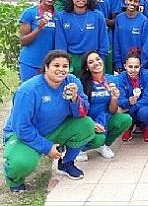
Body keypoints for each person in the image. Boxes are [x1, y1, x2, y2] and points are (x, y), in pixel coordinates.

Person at [3, 50, 95, 192]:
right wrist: (47, 147)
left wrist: (75, 99)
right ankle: (14, 180)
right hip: (22, 134)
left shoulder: (72, 82)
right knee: (21, 163)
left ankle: (66, 163)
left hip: (53, 128)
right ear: (46, 67)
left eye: (65, 66)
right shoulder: (28, 90)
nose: (61, 70)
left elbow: (82, 113)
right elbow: (21, 127)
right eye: (56, 65)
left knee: (86, 125)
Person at [76, 51, 132, 161]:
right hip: (85, 121)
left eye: (98, 59)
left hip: (104, 119)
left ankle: (103, 145)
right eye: (91, 62)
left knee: (125, 119)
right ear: (87, 67)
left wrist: (114, 98)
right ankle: (79, 148)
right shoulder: (81, 83)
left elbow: (112, 110)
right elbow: (77, 109)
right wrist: (91, 123)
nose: (96, 63)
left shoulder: (111, 80)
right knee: (97, 139)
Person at [55, 0, 108, 75]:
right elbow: (60, 44)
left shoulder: (97, 15)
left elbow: (103, 41)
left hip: (92, 59)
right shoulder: (62, 16)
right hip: (72, 60)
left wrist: (100, 60)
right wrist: (65, 62)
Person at [19, 0, 59, 81]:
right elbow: (23, 41)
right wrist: (39, 28)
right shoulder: (29, 13)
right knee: (30, 93)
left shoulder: (58, 16)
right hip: (30, 63)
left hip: (49, 65)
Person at [117, 49, 148, 142]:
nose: (133, 70)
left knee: (146, 112)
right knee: (119, 111)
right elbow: (120, 99)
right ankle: (128, 126)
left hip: (142, 107)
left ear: (140, 66)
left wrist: (132, 106)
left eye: (136, 67)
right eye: (130, 66)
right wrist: (128, 101)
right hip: (128, 106)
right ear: (125, 66)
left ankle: (147, 127)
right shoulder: (120, 78)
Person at [113, 0, 148, 72]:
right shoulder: (119, 18)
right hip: (123, 65)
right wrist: (117, 62)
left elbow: (146, 46)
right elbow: (116, 42)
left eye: (135, 1)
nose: (132, 3)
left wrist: (142, 65)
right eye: (130, 0)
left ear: (139, 3)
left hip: (138, 66)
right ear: (125, 1)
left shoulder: (144, 21)